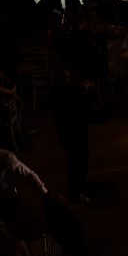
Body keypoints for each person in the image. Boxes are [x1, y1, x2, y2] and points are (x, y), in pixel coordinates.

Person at [49, 68, 93, 203]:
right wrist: (84, 88)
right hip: (73, 133)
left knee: (79, 161)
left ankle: (80, 186)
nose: (68, 80)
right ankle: (75, 192)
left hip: (72, 133)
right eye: (66, 78)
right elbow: (75, 100)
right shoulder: (63, 93)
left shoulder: (58, 92)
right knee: (76, 163)